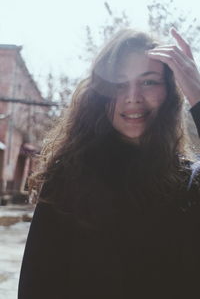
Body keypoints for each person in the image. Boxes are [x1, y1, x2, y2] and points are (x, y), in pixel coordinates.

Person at [18, 27, 200, 299]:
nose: (133, 96)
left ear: (171, 92)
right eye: (118, 84)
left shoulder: (189, 180)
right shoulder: (69, 176)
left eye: (149, 81)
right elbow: (37, 282)